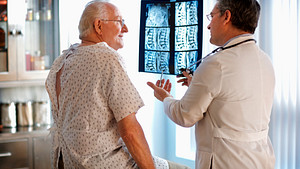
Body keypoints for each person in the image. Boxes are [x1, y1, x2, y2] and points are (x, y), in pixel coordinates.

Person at [46, 1, 189, 169]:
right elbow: (130, 131)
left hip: (70, 161)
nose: (126, 29)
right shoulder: (106, 59)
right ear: (98, 26)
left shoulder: (62, 61)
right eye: (120, 22)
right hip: (107, 163)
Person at [147, 0, 276, 168]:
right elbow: (235, 103)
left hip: (227, 162)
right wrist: (197, 84)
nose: (208, 26)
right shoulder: (265, 60)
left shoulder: (216, 64)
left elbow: (185, 116)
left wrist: (165, 98)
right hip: (260, 160)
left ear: (226, 16)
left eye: (212, 16)